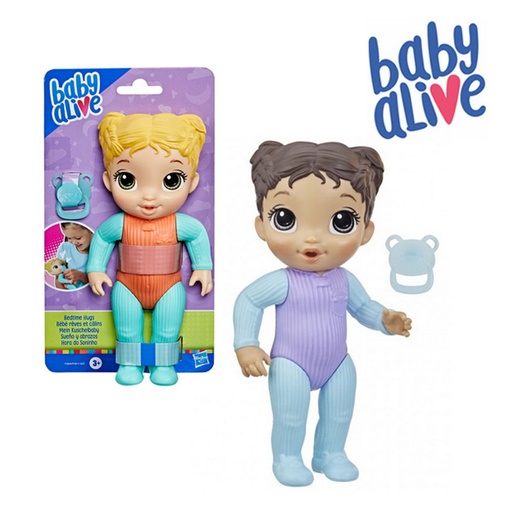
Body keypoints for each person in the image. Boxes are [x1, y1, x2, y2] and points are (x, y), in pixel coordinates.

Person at [233, 141, 411, 486]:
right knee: (290, 416)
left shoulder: (345, 279)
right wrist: (246, 343)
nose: (312, 239)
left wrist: (384, 320)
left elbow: (363, 307)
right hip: (290, 363)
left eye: (341, 221)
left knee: (339, 413)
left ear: (366, 231)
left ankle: (330, 453)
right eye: (286, 219)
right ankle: (287, 457)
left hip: (337, 362)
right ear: (262, 225)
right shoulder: (282, 281)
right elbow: (249, 300)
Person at [87, 112, 213, 386]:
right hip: (127, 286)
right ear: (108, 181)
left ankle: (163, 365)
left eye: (171, 181)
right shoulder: (119, 224)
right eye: (127, 180)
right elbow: (102, 238)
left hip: (169, 286)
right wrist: (95, 268)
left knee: (167, 330)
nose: (149, 196)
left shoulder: (180, 224)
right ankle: (129, 364)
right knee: (127, 329)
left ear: (192, 183)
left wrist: (203, 267)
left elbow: (198, 235)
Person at [55, 222, 92, 288]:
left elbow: (98, 281)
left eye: (78, 238)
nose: (74, 242)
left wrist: (81, 276)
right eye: (69, 238)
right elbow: (58, 279)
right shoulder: (65, 247)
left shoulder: (98, 251)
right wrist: (65, 293)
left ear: (91, 231)